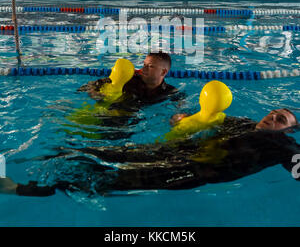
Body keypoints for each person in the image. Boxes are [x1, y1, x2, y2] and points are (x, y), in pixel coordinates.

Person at [2, 108, 299, 197]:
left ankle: (16, 188)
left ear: (289, 130)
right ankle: (30, 156)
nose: (272, 119)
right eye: (272, 114)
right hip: (170, 152)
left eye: (280, 120)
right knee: (100, 151)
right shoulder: (242, 122)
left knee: (103, 181)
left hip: (187, 172)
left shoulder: (284, 145)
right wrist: (181, 121)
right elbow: (202, 119)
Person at [78, 52, 178, 108]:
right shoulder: (130, 79)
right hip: (112, 111)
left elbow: (182, 107)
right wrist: (93, 91)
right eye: (144, 65)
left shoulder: (170, 92)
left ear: (163, 72)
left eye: (150, 66)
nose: (144, 69)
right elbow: (90, 85)